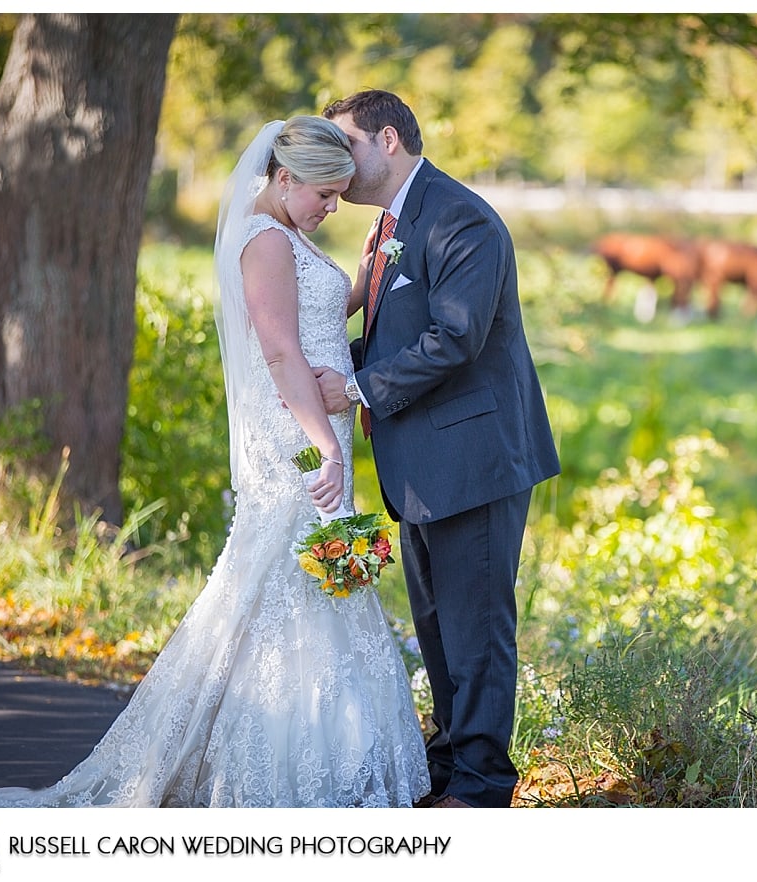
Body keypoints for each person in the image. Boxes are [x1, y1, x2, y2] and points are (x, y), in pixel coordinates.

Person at [0, 116, 430, 808]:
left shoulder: (287, 236)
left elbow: (317, 316)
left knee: (299, 580)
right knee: (290, 573)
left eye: (337, 196)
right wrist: (323, 443)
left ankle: (327, 747)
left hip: (314, 424)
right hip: (295, 434)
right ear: (284, 177)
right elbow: (279, 352)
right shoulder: (264, 243)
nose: (331, 207)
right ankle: (276, 758)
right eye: (324, 194)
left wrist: (364, 275)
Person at [313, 90, 560, 808]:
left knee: (477, 629)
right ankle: (452, 766)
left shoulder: (461, 218)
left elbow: (455, 338)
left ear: (388, 139)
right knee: (440, 631)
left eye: (346, 145)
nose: (337, 164)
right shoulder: (395, 222)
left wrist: (356, 387)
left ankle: (484, 785)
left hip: (473, 460)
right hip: (421, 462)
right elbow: (400, 331)